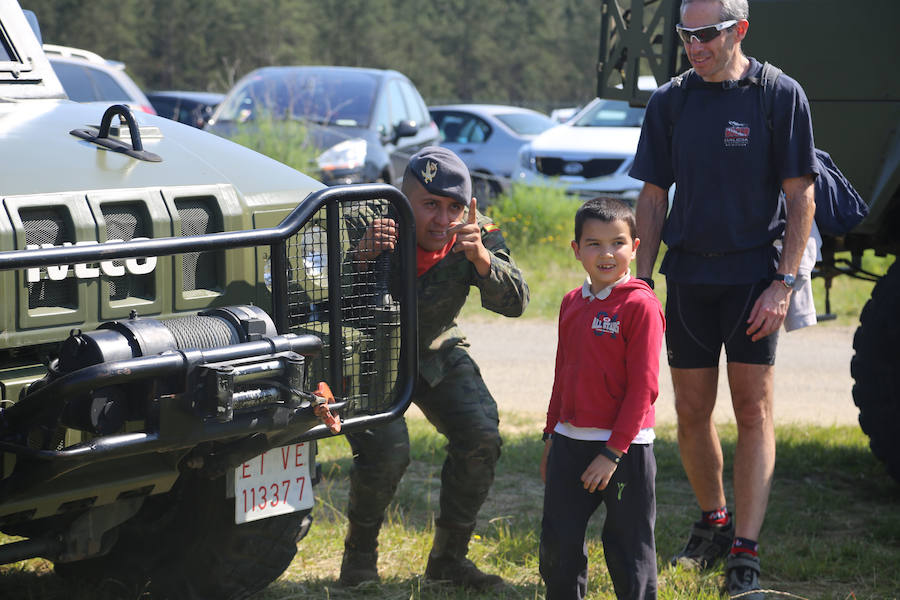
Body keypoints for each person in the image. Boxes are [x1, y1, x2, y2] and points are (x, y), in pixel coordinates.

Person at [628, 0, 817, 598]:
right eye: (685, 35)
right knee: (689, 412)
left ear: (739, 30)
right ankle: (714, 522)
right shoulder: (671, 101)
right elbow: (653, 199)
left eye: (705, 34)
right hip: (688, 278)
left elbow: (801, 199)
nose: (693, 45)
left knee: (753, 411)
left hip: (753, 281)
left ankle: (746, 551)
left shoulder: (778, 94)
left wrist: (783, 285)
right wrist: (641, 281)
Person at [338, 146, 530, 589]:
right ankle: (359, 559)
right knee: (388, 450)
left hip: (432, 346)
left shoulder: (474, 232)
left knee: (481, 434)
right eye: (430, 206)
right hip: (370, 352)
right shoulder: (362, 219)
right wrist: (360, 259)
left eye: (453, 208)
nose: (443, 220)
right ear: (404, 198)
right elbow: (311, 294)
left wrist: (482, 259)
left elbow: (517, 301)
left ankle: (448, 562)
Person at [539, 197, 664, 600]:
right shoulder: (571, 303)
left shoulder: (640, 306)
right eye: (593, 243)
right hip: (570, 443)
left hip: (625, 451)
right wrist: (550, 436)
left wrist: (612, 453)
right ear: (576, 250)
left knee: (630, 549)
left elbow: (643, 389)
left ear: (635, 247)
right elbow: (562, 374)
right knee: (558, 544)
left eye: (617, 243)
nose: (607, 253)